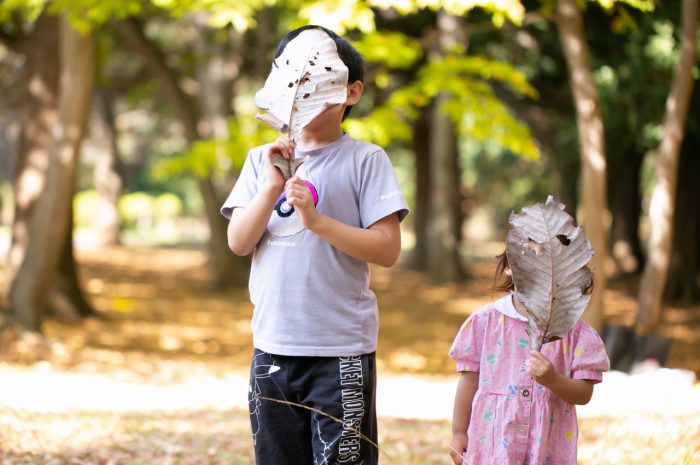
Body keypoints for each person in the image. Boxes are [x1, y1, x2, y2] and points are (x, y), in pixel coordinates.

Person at [221, 25, 409, 465]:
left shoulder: (366, 160)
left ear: (351, 92)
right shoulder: (259, 160)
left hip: (339, 350)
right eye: (294, 77)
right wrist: (271, 188)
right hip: (272, 347)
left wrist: (317, 221)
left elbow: (387, 249)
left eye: (317, 79)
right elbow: (238, 242)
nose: (304, 88)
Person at [448, 252, 610, 465]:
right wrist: (459, 432)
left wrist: (554, 381)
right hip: (492, 442)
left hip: (546, 447)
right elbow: (469, 381)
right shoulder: (484, 322)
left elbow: (583, 394)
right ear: (509, 267)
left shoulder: (576, 333)